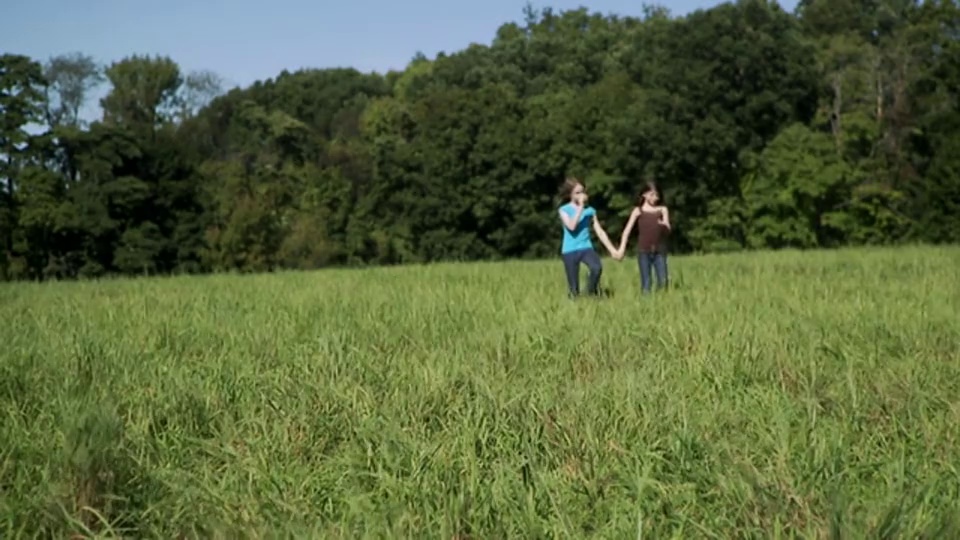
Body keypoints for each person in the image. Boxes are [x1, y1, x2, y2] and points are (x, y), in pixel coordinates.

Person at [557, 177, 620, 298]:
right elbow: (571, 226)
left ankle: (590, 293)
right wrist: (580, 207)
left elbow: (600, 231)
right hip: (569, 250)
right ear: (570, 194)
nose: (581, 195)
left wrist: (612, 250)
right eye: (577, 193)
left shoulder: (590, 211)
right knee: (573, 289)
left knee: (596, 268)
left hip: (586, 247)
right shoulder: (564, 210)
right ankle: (575, 304)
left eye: (583, 192)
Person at [616, 181, 671, 294]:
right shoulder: (638, 211)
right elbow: (627, 231)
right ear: (644, 195)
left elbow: (668, 229)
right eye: (652, 194)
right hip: (643, 251)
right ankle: (646, 305)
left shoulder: (662, 210)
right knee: (646, 283)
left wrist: (663, 225)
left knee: (663, 281)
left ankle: (662, 303)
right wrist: (621, 249)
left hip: (659, 251)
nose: (655, 198)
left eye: (656, 195)